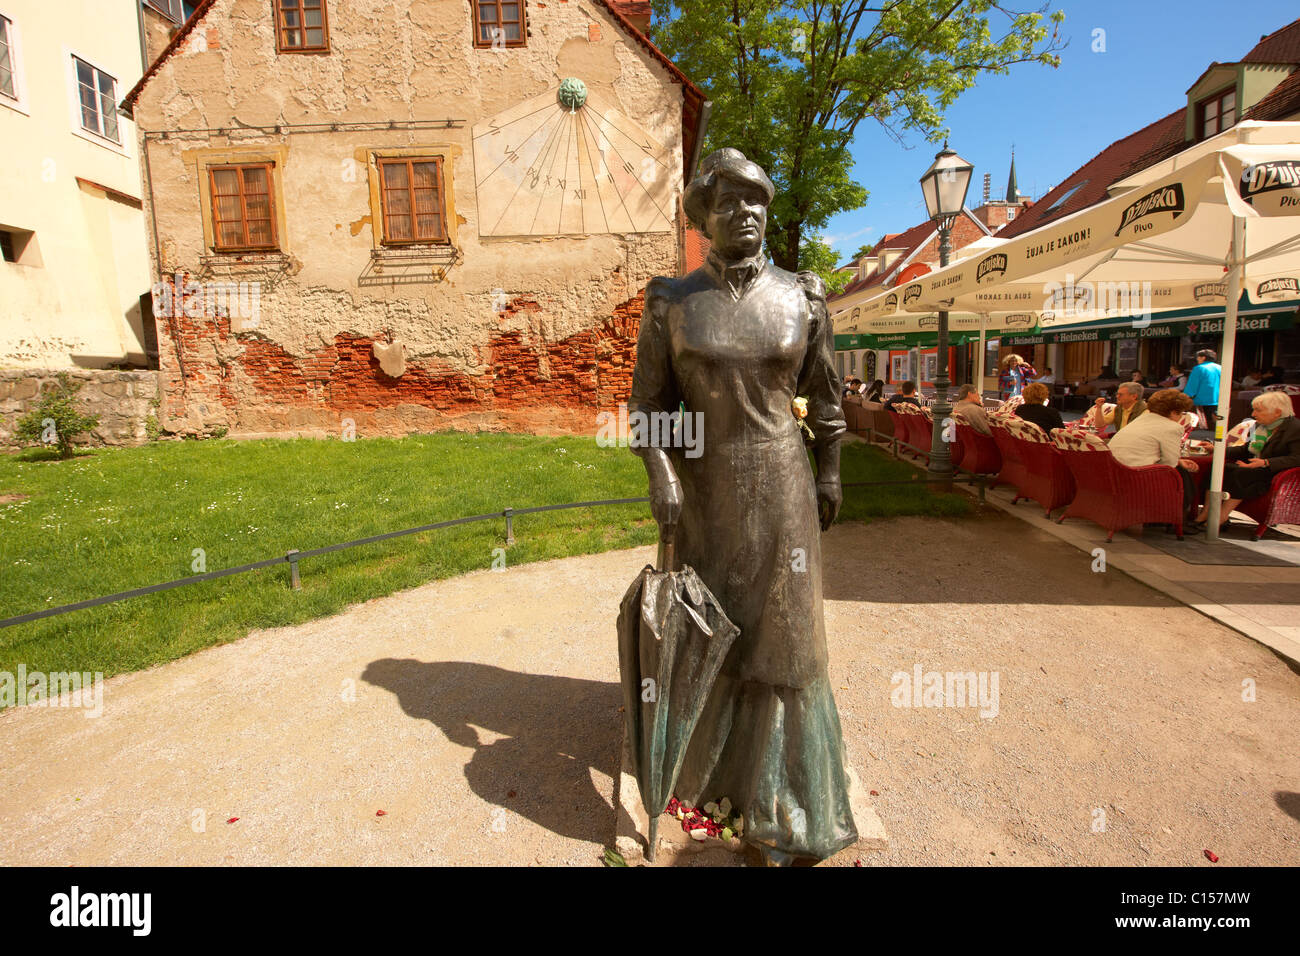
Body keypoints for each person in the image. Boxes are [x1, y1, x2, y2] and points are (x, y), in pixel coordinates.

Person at [630, 147, 856, 864]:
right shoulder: (672, 302)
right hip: (703, 493)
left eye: (756, 202)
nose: (745, 215)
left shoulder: (804, 297)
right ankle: (707, 784)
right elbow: (647, 409)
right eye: (727, 204)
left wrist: (830, 472)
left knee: (783, 641)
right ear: (703, 219)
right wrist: (661, 476)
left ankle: (784, 801)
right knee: (711, 632)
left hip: (783, 488)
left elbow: (827, 401)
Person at [1196, 390, 1300, 529]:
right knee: (1218, 468)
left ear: (1277, 412)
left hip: (1273, 473)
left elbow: (1297, 458)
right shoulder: (1259, 426)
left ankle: (1221, 517)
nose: (1253, 415)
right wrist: (1217, 450)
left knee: (1242, 474)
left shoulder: (1295, 429)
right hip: (1252, 466)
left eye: (1258, 410)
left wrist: (1265, 463)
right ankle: (1206, 511)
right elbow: (1245, 450)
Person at [1107, 388, 1201, 519]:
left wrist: (1179, 461)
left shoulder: (1142, 419)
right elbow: (1169, 463)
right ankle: (1176, 516)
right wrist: (1178, 462)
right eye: (1181, 413)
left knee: (1181, 471)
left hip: (1114, 473)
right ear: (1174, 412)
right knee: (1183, 476)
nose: (1181, 417)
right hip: (1136, 478)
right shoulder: (1172, 427)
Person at [1183, 348, 1221, 429]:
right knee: (1216, 424)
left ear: (1203, 357)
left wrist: (1186, 395)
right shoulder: (1220, 367)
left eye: (1198, 357)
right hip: (1218, 399)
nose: (1197, 359)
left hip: (1202, 400)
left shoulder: (1199, 368)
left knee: (1203, 425)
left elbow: (1192, 384)